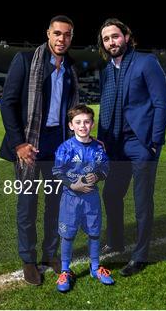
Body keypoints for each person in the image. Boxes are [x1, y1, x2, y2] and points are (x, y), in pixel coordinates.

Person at [0, 15, 80, 285]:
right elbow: (7, 103)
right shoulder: (25, 60)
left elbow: (72, 110)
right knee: (28, 205)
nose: (62, 39)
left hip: (59, 145)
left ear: (71, 37)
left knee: (56, 205)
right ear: (47, 34)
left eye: (67, 35)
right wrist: (19, 143)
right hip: (30, 145)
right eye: (57, 33)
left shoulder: (71, 67)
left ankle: (50, 254)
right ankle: (28, 259)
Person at [97, 18, 166, 276]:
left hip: (141, 144)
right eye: (106, 39)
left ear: (126, 36)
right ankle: (116, 241)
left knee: (141, 202)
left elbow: (162, 104)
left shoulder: (146, 62)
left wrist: (154, 143)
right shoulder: (106, 71)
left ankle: (139, 256)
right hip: (115, 145)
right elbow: (103, 109)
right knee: (111, 194)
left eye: (115, 36)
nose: (111, 42)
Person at [52, 104, 114, 292]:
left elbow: (105, 168)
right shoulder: (65, 148)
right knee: (68, 234)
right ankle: (65, 270)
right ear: (71, 125)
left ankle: (95, 268)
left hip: (91, 198)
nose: (82, 126)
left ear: (92, 124)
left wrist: (98, 176)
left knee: (94, 232)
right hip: (70, 199)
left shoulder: (98, 147)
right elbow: (57, 171)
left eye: (86, 122)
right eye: (78, 122)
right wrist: (72, 184)